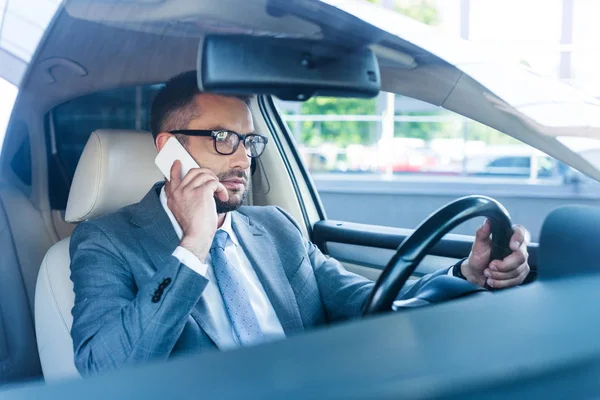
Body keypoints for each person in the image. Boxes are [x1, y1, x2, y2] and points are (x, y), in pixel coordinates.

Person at [69, 71, 530, 376]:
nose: (243, 159)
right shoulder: (106, 241)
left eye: (249, 141)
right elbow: (103, 370)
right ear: (170, 147)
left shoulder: (276, 227)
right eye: (223, 139)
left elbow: (369, 301)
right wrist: (194, 243)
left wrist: (467, 275)